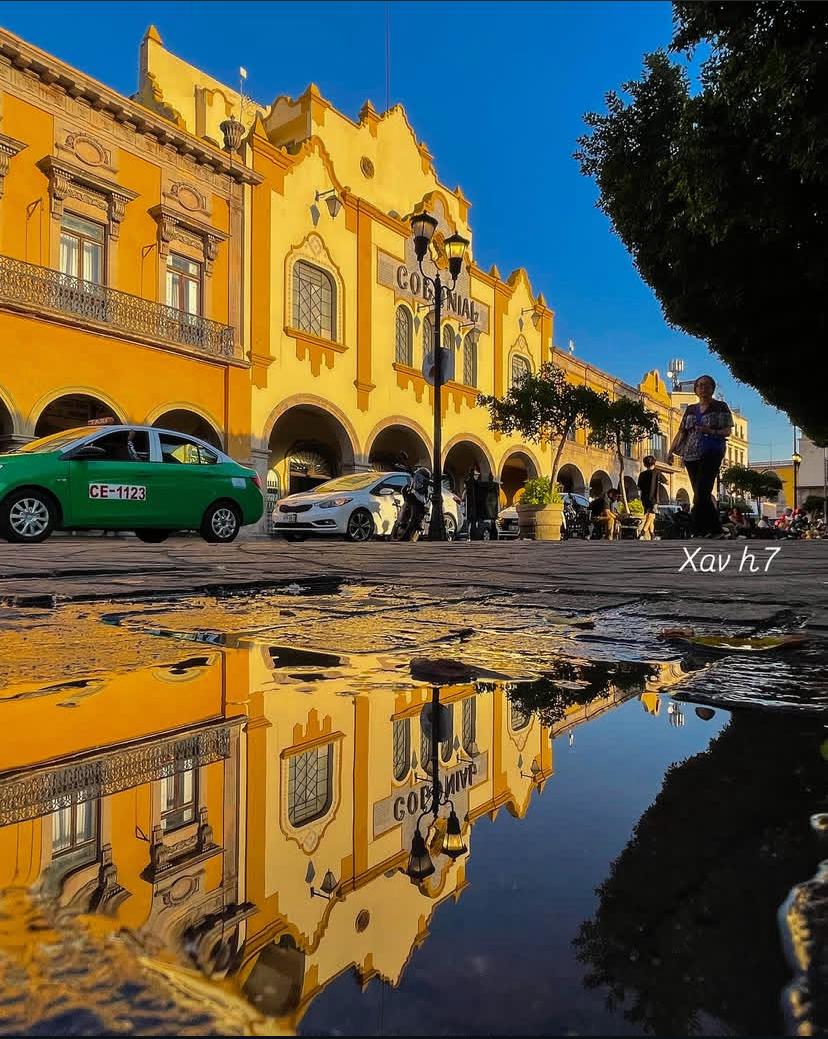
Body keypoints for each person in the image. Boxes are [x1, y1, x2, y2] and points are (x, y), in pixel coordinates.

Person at [668, 375, 733, 537]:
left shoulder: (720, 406)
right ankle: (714, 530)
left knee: (702, 491)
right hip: (690, 455)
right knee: (700, 493)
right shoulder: (690, 409)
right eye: (700, 385)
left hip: (712, 452)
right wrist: (671, 450)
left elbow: (727, 431)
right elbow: (681, 432)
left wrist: (710, 431)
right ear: (696, 389)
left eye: (706, 385)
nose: (703, 388)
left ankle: (698, 529)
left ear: (712, 388)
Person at [637, 455, 659, 540]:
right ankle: (642, 533)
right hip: (653, 498)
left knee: (650, 516)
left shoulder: (642, 474)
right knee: (651, 515)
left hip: (644, 497)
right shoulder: (656, 472)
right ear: (654, 463)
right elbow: (667, 482)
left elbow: (639, 487)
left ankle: (652, 535)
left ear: (644, 464)